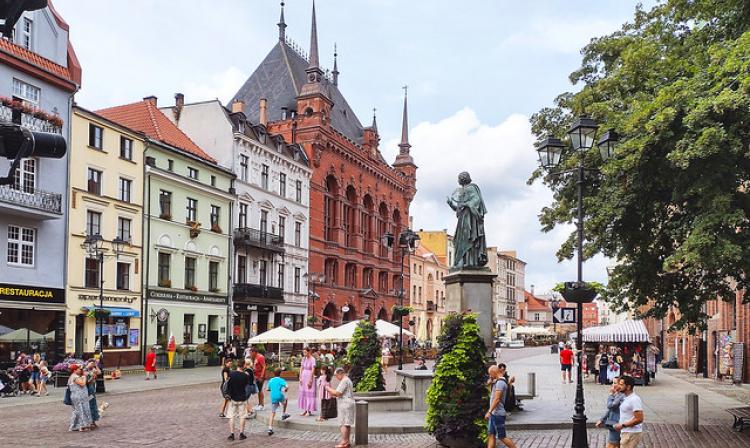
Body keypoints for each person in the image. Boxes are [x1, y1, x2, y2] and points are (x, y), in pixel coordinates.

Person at [447, 171, 488, 268]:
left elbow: (476, 200)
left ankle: (470, 262)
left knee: (468, 238)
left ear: (463, 179)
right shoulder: (462, 190)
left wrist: (466, 204)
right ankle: (463, 261)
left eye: (459, 178)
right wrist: (451, 204)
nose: (458, 180)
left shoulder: (471, 188)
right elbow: (459, 207)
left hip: (470, 219)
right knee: (458, 240)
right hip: (463, 218)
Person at [485, 364, 517, 448]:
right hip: (494, 413)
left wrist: (489, 411)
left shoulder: (500, 383)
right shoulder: (498, 381)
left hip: (497, 414)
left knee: (502, 437)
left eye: (490, 374)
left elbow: (497, 399)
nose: (490, 376)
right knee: (491, 434)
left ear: (493, 372)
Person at [325, 367, 355, 448]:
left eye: (336, 375)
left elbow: (338, 393)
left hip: (344, 404)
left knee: (343, 423)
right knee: (347, 423)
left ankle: (344, 441)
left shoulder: (344, 381)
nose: (336, 378)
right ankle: (347, 441)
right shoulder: (348, 380)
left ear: (340, 373)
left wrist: (328, 389)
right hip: (349, 402)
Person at [614, 376, 644, 448]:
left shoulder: (634, 399)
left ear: (628, 387)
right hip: (626, 432)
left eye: (621, 385)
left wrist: (623, 425)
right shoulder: (625, 397)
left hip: (631, 433)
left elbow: (639, 418)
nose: (619, 386)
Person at [225, 359, 251, 440]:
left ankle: (232, 434)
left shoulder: (231, 374)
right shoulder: (245, 375)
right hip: (242, 398)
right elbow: (247, 384)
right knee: (242, 416)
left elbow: (228, 385)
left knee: (231, 416)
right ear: (243, 365)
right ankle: (241, 433)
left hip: (233, 398)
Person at [596, 377, 625, 448]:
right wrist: (602, 419)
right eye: (613, 383)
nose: (613, 385)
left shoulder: (620, 396)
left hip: (616, 422)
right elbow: (610, 410)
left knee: (611, 444)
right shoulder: (617, 395)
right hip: (615, 422)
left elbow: (610, 406)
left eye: (615, 383)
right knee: (617, 444)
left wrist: (611, 395)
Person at [67, 364, 93, 432]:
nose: (80, 370)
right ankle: (80, 426)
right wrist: (84, 376)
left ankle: (78, 426)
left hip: (81, 396)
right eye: (79, 369)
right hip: (78, 396)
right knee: (80, 410)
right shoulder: (74, 376)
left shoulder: (75, 376)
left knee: (81, 410)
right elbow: (82, 384)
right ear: (75, 370)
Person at [266, 368, 290, 436]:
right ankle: (283, 413)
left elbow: (267, 388)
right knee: (286, 399)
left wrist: (272, 389)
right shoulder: (281, 380)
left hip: (273, 397)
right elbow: (287, 386)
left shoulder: (271, 380)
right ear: (280, 373)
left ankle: (270, 428)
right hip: (280, 395)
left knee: (272, 412)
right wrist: (285, 390)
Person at [298, 347, 317, 416]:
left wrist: (310, 379)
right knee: (304, 394)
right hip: (303, 376)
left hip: (309, 376)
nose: (304, 353)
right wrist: (300, 377)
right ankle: (305, 409)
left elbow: (313, 369)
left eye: (305, 352)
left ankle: (309, 410)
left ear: (309, 352)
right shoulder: (303, 358)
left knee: (309, 393)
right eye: (303, 352)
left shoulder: (313, 359)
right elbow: (301, 368)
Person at [85, 361, 101, 428]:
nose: (92, 365)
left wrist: (96, 366)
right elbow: (87, 382)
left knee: (93, 404)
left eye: (93, 364)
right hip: (88, 389)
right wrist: (92, 376)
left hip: (92, 389)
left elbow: (99, 372)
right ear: (88, 363)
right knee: (90, 404)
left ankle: (93, 421)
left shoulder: (93, 370)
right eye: (91, 363)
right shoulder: (84, 370)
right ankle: (90, 421)